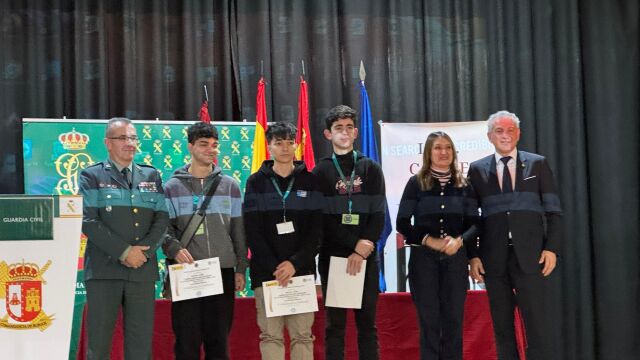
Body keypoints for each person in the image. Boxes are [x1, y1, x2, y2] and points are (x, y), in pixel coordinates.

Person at [467, 110, 563, 360]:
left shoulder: (538, 164)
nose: (505, 135)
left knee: (538, 329)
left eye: (510, 130)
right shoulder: (476, 170)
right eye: (499, 131)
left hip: (532, 258)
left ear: (518, 134)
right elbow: (470, 219)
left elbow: (554, 211)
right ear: (490, 136)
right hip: (493, 260)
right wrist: (473, 256)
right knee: (502, 329)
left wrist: (551, 248)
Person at [79, 117, 169, 360]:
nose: (129, 143)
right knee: (98, 345)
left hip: (141, 270)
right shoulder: (91, 175)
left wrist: (145, 253)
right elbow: (88, 221)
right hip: (104, 271)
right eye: (122, 138)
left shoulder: (151, 175)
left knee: (140, 347)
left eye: (133, 138)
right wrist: (124, 252)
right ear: (108, 143)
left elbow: (162, 219)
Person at [162, 122, 248, 360]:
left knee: (218, 342)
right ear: (190, 147)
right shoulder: (171, 187)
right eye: (203, 144)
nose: (211, 150)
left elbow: (239, 230)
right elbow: (162, 229)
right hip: (187, 272)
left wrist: (240, 267)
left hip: (222, 272)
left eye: (214, 145)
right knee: (186, 342)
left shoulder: (230, 185)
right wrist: (174, 248)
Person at [242, 121, 323, 360]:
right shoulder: (255, 182)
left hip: (302, 272)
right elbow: (252, 230)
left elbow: (316, 231)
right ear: (269, 147)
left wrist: (294, 264)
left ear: (297, 145)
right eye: (279, 143)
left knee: (302, 337)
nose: (285, 148)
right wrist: (276, 267)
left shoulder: (311, 181)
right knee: (271, 337)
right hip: (267, 274)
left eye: (290, 142)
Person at [396, 131, 479, 360]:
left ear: (454, 152)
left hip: (456, 260)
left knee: (453, 322)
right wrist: (427, 239)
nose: (444, 152)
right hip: (424, 261)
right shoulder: (416, 183)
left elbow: (475, 224)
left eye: (448, 148)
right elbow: (402, 222)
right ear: (428, 153)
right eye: (438, 148)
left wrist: (461, 241)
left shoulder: (465, 184)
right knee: (430, 323)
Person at [312, 105, 386, 360]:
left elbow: (378, 213)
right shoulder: (320, 172)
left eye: (348, 128)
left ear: (356, 132)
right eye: (338, 128)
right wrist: (354, 246)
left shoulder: (370, 168)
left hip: (366, 257)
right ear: (327, 134)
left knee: (367, 326)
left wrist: (364, 247)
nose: (344, 133)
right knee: (335, 327)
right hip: (334, 258)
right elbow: (321, 219)